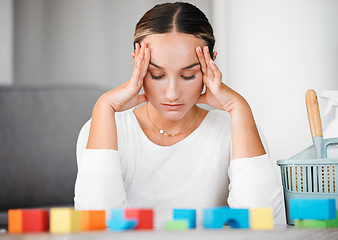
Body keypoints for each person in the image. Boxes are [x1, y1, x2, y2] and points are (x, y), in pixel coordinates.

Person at [74, 2, 282, 227]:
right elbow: (97, 223)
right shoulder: (106, 127)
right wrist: (104, 106)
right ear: (138, 64)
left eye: (188, 76)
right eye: (156, 75)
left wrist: (239, 108)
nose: (172, 94)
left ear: (209, 64)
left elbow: (260, 221)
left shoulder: (234, 128)